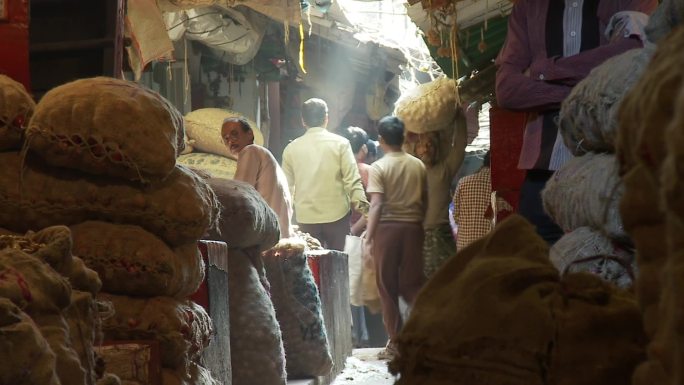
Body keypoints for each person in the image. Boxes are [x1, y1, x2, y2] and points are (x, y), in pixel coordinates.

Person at [495, 0, 657, 244]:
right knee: (539, 272)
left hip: (611, 169)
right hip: (542, 174)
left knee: (611, 269)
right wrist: (589, 91)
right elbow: (507, 90)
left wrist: (543, 70)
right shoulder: (528, 7)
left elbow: (632, 55)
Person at [364, 115, 427, 359]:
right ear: (403, 138)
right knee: (413, 285)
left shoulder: (380, 167)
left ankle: (397, 343)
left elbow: (377, 204)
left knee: (387, 286)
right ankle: (428, 335)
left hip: (388, 231)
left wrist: (369, 237)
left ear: (380, 140)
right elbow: (424, 200)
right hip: (414, 228)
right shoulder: (417, 165)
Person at [282, 98, 370, 251]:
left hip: (306, 219)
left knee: (310, 267)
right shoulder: (341, 144)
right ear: (326, 119)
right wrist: (367, 211)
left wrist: (285, 222)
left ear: (303, 121)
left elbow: (286, 191)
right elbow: (352, 182)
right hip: (337, 219)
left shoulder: (291, 149)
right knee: (340, 266)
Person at [406, 116, 467, 278]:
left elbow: (460, 145)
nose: (426, 149)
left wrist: (460, 116)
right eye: (421, 145)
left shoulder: (445, 170)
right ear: (415, 150)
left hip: (442, 236)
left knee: (447, 281)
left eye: (430, 145)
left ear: (437, 149)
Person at [222, 117, 294, 238]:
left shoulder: (250, 151)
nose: (230, 141)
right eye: (226, 138)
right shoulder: (263, 154)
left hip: (266, 236)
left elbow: (238, 194)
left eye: (234, 134)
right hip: (279, 233)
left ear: (249, 134)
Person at [452, 151, 512, 250]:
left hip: (464, 246)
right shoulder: (500, 186)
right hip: (487, 246)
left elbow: (456, 215)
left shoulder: (463, 182)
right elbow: (507, 214)